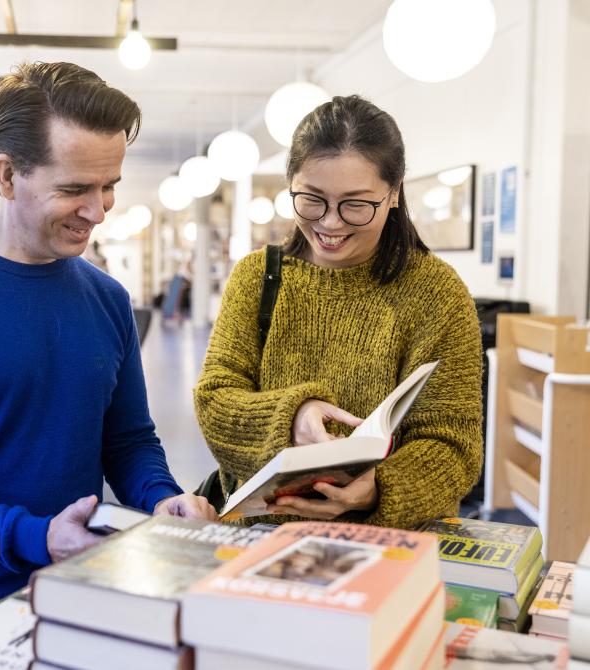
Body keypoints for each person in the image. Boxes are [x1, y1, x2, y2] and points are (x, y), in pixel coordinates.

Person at [0, 61, 214, 662]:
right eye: (75, 188)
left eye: (109, 186)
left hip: (72, 583)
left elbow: (128, 440)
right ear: (7, 174)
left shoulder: (106, 299)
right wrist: (38, 537)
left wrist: (162, 500)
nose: (99, 210)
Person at [194, 95, 483, 530]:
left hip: (383, 550)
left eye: (355, 204)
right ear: (291, 182)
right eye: (312, 200)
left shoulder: (436, 294)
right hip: (256, 541)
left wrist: (377, 489)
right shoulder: (257, 278)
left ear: (394, 194)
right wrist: (293, 416)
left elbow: (453, 445)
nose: (330, 223)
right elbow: (214, 400)